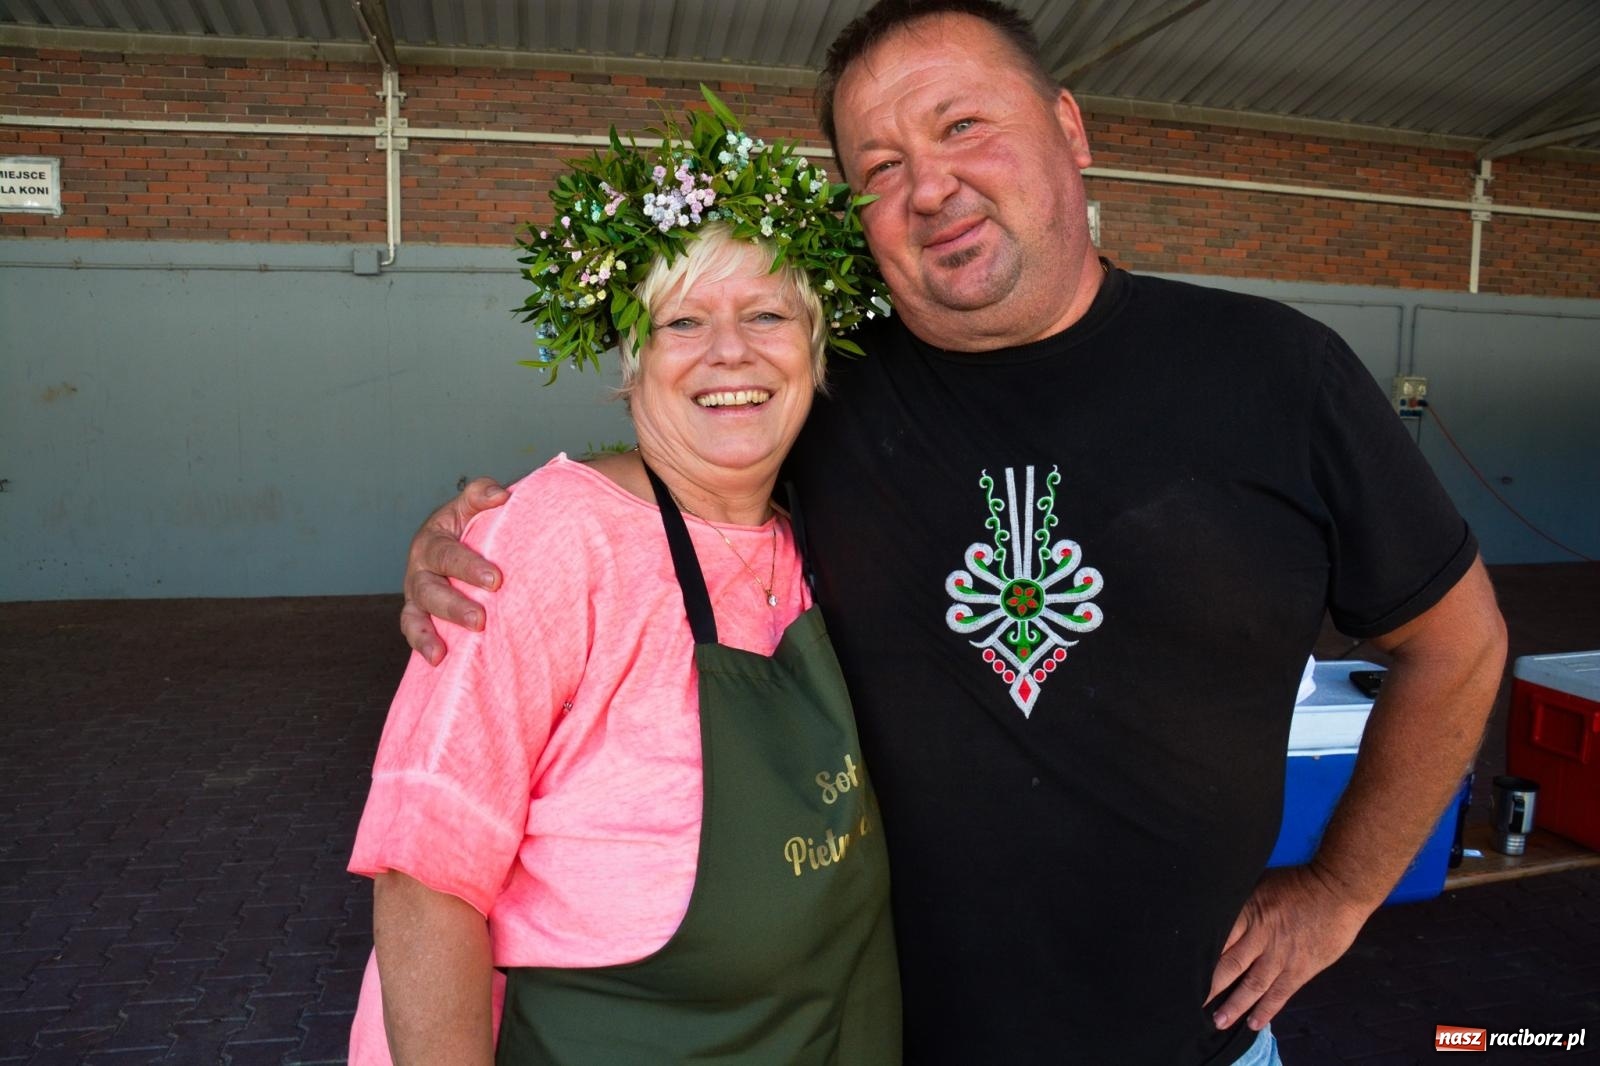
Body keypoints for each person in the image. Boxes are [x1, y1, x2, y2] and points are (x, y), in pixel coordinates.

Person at [398, 3, 1508, 1063]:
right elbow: (677, 475)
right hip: (888, 1046)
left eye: (962, 125)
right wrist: (497, 523)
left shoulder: (1276, 373)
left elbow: (1457, 643)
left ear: (1067, 127)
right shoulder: (826, 387)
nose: (929, 186)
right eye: (879, 168)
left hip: (1200, 1048)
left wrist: (1340, 892)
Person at [348, 95, 900, 1065]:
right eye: (684, 320)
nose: (730, 350)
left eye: (767, 313)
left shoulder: (816, 526)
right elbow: (422, 878)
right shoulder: (554, 539)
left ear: (814, 351)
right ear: (633, 365)